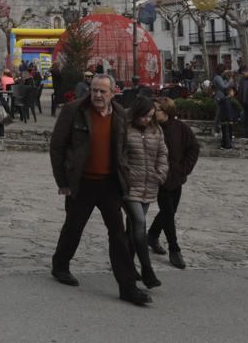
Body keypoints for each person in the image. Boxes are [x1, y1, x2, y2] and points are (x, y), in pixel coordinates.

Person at [49, 74, 151, 306]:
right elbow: (57, 146)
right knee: (73, 227)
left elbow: (123, 148)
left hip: (109, 184)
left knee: (118, 236)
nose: (97, 95)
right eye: (94, 90)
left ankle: (127, 288)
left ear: (112, 93)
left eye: (102, 91)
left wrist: (124, 174)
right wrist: (63, 182)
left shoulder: (121, 115)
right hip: (81, 181)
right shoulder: (74, 110)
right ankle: (60, 265)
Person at [120, 97, 168, 290]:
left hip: (149, 185)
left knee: (132, 228)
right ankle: (147, 270)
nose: (147, 120)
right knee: (140, 223)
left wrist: (161, 173)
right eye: (144, 116)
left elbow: (162, 154)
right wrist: (125, 176)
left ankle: (127, 266)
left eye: (150, 117)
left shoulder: (156, 131)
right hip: (130, 186)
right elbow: (120, 155)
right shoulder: (125, 129)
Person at [146, 97, 198, 269]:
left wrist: (184, 169)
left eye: (157, 110)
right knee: (168, 212)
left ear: (167, 112)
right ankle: (174, 249)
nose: (153, 113)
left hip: (176, 177)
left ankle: (152, 235)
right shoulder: (151, 128)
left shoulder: (180, 128)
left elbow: (193, 148)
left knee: (169, 211)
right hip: (159, 178)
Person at [212, 66, 234, 149]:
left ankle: (220, 131)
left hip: (223, 97)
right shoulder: (217, 77)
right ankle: (216, 130)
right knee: (219, 114)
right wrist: (230, 81)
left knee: (221, 115)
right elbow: (224, 87)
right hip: (220, 97)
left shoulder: (220, 77)